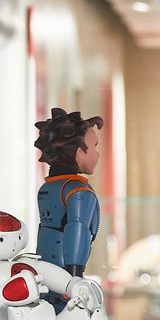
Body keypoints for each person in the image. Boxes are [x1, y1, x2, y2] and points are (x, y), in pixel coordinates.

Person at [35, 108, 104, 304]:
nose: (98, 154)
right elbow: (78, 230)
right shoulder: (78, 191)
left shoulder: (48, 188)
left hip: (45, 271)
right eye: (94, 147)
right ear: (78, 151)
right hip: (67, 279)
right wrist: (75, 277)